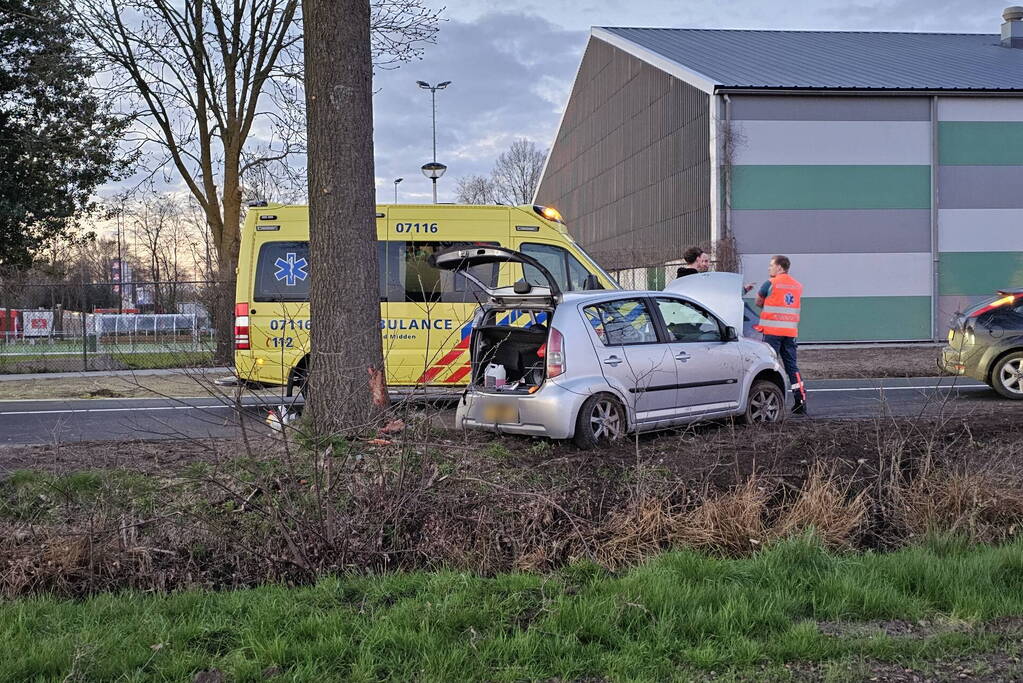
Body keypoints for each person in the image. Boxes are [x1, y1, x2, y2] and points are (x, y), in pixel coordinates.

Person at [754, 255, 806, 415]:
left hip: (772, 333)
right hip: (790, 333)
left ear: (779, 267)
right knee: (792, 366)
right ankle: (800, 401)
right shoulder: (797, 286)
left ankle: (770, 399)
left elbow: (758, 301)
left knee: (769, 365)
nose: (769, 268)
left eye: (771, 265)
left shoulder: (770, 283)